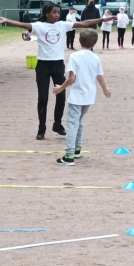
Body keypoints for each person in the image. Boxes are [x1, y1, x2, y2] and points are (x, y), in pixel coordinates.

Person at [0, 3, 114, 140]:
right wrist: (6, 20)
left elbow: (84, 23)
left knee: (61, 96)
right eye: (54, 12)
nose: (57, 14)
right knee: (43, 97)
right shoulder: (39, 26)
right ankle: (41, 127)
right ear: (47, 14)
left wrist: (103, 20)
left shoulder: (62, 25)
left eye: (58, 12)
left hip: (58, 65)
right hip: (43, 66)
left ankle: (57, 124)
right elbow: (23, 25)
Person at [52, 29, 111, 165]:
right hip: (89, 96)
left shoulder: (75, 56)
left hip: (77, 96)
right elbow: (99, 76)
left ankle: (69, 155)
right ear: (94, 43)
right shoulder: (95, 57)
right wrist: (105, 89)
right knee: (79, 121)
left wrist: (61, 88)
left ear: (79, 40)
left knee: (72, 124)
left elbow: (72, 78)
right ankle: (77, 148)